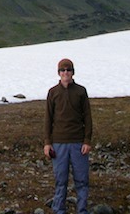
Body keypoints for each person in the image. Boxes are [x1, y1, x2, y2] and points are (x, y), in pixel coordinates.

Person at [44, 58, 93, 214]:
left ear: (73, 72)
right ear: (59, 73)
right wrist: (47, 143)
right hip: (58, 143)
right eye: (63, 70)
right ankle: (59, 209)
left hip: (78, 143)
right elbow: (48, 119)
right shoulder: (53, 92)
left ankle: (82, 210)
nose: (66, 73)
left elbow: (87, 117)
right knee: (61, 180)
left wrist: (87, 140)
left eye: (68, 70)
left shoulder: (81, 91)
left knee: (82, 180)